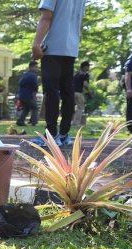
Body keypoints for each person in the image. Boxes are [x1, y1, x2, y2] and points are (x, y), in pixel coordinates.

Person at [30, 0, 86, 147]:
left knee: (52, 91)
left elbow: (46, 17)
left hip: (52, 47)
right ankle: (64, 134)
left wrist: (36, 44)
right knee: (68, 91)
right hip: (71, 48)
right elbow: (78, 21)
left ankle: (51, 135)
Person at [16, 61, 40, 126]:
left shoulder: (25, 75)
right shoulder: (33, 75)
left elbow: (19, 83)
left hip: (21, 95)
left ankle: (20, 121)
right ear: (31, 67)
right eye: (36, 67)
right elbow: (35, 86)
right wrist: (34, 94)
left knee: (26, 108)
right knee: (35, 108)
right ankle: (33, 122)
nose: (37, 69)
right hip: (28, 95)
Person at [71, 60, 92, 126]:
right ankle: (76, 122)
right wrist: (89, 92)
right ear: (85, 67)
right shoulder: (85, 74)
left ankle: (70, 121)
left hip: (72, 92)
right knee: (80, 108)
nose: (89, 68)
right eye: (88, 66)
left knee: (71, 108)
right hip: (78, 93)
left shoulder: (76, 74)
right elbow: (85, 84)